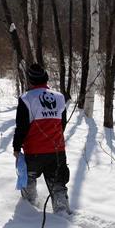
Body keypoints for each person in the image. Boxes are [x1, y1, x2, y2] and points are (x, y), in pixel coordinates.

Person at [13, 63, 71, 214]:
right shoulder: (59, 98)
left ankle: (29, 213)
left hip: (34, 152)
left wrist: (16, 147)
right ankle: (63, 213)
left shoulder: (26, 99)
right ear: (46, 78)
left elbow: (21, 127)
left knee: (28, 181)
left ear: (30, 81)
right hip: (57, 151)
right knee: (58, 185)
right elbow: (62, 125)